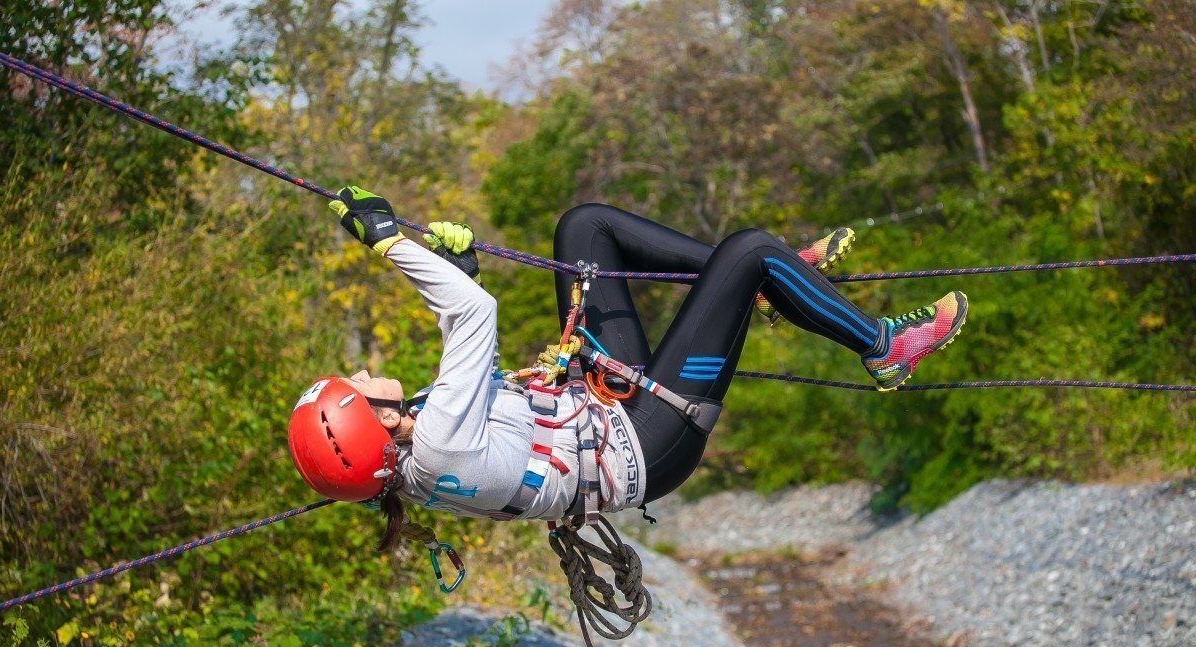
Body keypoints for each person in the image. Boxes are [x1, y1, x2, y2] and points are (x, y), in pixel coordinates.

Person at [287, 186, 968, 543]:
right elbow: (473, 316)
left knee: (585, 228)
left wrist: (457, 267)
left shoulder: (419, 441)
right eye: (358, 386)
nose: (365, 373)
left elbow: (475, 346)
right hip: (646, 440)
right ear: (369, 419)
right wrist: (386, 242)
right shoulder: (435, 446)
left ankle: (773, 282)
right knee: (752, 246)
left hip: (603, 406)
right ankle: (884, 347)